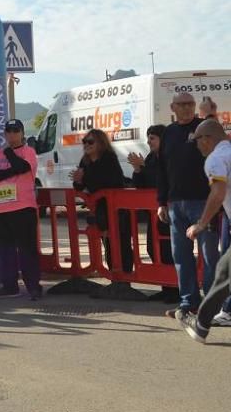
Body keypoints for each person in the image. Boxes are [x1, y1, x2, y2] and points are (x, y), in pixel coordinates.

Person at [157, 93, 219, 318]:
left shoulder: (203, 128)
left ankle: (212, 304)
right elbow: (162, 169)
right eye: (181, 104)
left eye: (189, 104)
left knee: (209, 255)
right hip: (176, 204)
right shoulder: (169, 133)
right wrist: (161, 201)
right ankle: (188, 303)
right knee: (181, 256)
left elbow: (219, 143)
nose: (186, 108)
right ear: (172, 107)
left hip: (204, 202)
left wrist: (210, 114)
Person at [176, 119, 231, 343]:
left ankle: (201, 325)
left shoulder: (215, 160)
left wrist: (200, 223)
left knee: (225, 275)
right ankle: (201, 324)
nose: (196, 145)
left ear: (207, 139)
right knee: (224, 272)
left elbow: (217, 194)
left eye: (196, 140)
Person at [71, 128, 136, 297]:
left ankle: (125, 279)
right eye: (84, 142)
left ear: (101, 143)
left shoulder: (109, 158)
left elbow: (109, 181)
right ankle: (115, 278)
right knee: (107, 242)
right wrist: (78, 181)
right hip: (99, 208)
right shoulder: (84, 161)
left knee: (121, 242)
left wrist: (84, 178)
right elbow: (80, 186)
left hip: (115, 208)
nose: (86, 145)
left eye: (90, 142)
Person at [0, 119, 41, 300]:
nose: (12, 134)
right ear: (5, 134)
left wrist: (10, 154)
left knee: (27, 249)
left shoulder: (29, 152)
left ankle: (33, 286)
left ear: (22, 133)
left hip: (24, 207)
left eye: (16, 130)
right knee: (6, 250)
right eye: (8, 131)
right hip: (2, 209)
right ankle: (10, 286)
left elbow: (23, 167)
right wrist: (11, 171)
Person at [128, 124, 178, 303]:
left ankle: (175, 289)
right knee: (153, 248)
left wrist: (144, 167)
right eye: (148, 138)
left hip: (170, 210)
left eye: (152, 138)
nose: (148, 142)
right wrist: (137, 169)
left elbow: (163, 179)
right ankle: (166, 287)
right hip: (154, 212)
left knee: (169, 250)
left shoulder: (170, 156)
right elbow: (141, 184)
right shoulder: (150, 157)